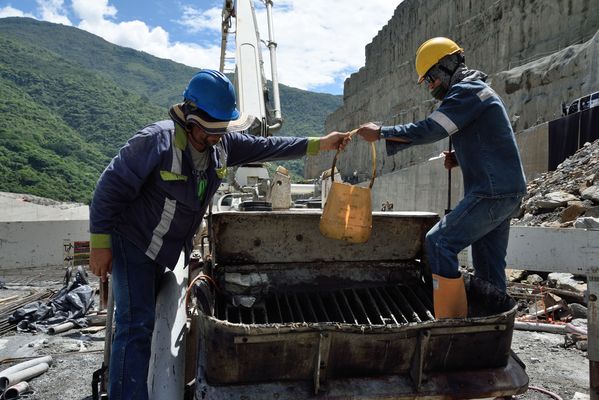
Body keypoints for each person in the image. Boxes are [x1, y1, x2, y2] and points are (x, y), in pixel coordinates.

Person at [88, 69, 348, 400]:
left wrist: (320, 144)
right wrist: (100, 245)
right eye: (211, 130)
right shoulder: (156, 142)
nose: (217, 136)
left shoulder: (223, 144)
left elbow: (268, 146)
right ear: (190, 115)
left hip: (167, 250)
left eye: (222, 129)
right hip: (134, 245)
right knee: (134, 326)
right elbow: (107, 189)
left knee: (147, 320)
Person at [352, 37, 527, 319]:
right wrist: (461, 157)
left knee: (439, 242)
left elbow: (432, 128)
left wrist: (382, 131)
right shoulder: (477, 91)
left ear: (446, 66)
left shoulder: (467, 91)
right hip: (505, 190)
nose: (430, 85)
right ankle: (491, 327)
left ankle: (452, 323)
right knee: (488, 267)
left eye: (431, 78)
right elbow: (493, 139)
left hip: (491, 192)